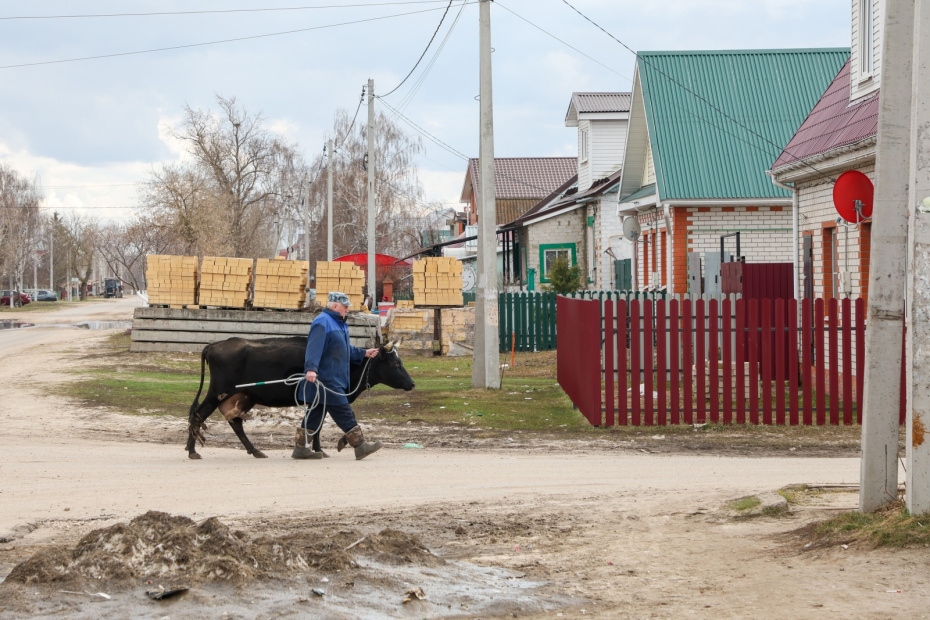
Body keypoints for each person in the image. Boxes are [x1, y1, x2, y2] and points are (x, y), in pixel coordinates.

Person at [292, 291, 382, 460]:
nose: (347, 310)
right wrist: (311, 369)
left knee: (314, 414)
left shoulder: (339, 323)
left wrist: (363, 353)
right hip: (326, 378)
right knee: (343, 410)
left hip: (334, 377)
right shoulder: (322, 322)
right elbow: (313, 347)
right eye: (345, 306)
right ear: (334, 306)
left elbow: (343, 349)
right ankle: (360, 445)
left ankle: (300, 449)